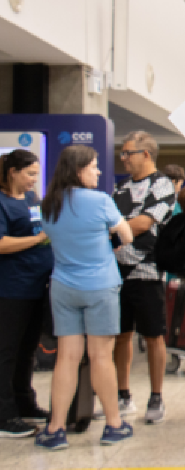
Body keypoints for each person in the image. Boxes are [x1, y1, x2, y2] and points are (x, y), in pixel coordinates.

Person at [35, 146, 134, 450]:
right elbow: (127, 235)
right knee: (101, 357)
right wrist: (109, 241)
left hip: (63, 285)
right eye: (93, 166)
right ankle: (114, 425)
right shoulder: (100, 201)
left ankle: (55, 428)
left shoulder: (48, 204)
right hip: (100, 286)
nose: (98, 171)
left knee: (66, 358)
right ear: (78, 170)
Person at [112, 131, 176, 424]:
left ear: (145, 154)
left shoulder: (162, 185)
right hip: (116, 273)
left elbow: (142, 224)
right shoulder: (120, 188)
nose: (123, 158)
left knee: (153, 336)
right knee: (121, 335)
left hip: (148, 272)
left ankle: (156, 396)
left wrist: (119, 227)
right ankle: (123, 395)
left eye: (128, 153)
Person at [0, 150, 53, 439]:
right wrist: (35, 240)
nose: (34, 179)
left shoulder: (32, 200)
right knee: (6, 352)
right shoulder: (2, 202)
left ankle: (24, 403)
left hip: (36, 285)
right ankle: (4, 415)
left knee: (26, 350)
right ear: (13, 172)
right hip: (11, 288)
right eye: (30, 173)